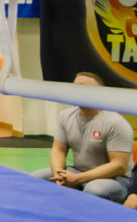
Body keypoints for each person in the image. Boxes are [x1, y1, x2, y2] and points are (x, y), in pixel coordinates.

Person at [30, 72, 133, 202]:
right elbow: (58, 150)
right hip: (78, 171)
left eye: (81, 86)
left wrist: (79, 178)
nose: (75, 90)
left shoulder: (115, 122)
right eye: (74, 86)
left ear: (98, 93)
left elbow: (119, 166)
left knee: (94, 190)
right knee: (34, 179)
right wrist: (58, 174)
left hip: (114, 178)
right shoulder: (66, 116)